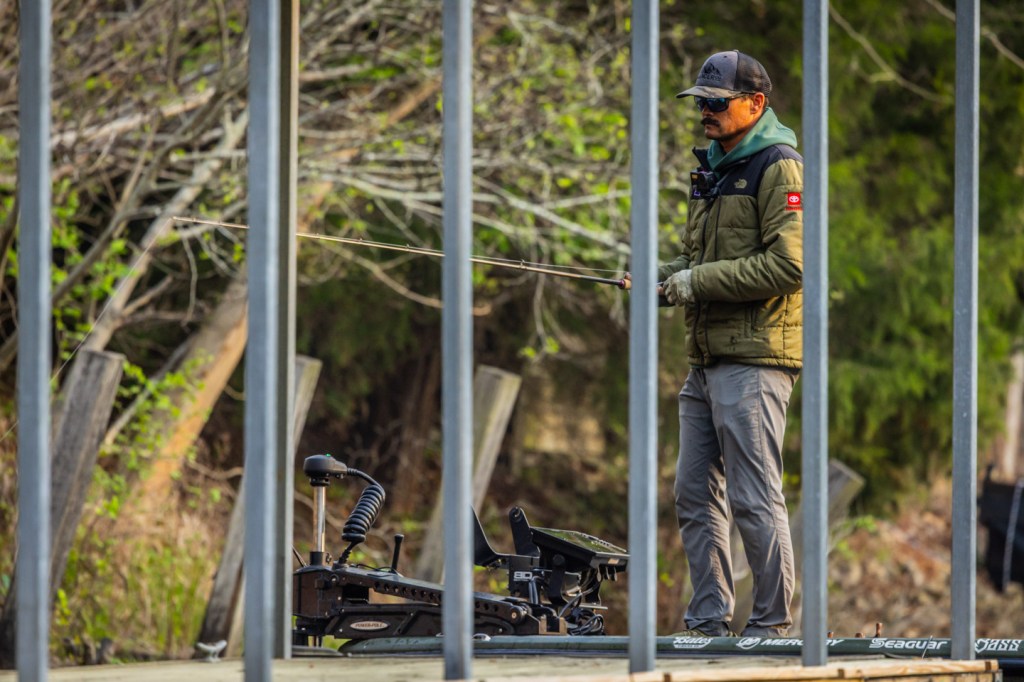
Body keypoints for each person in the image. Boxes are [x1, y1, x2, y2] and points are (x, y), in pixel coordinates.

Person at [662, 50, 803, 638]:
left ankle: (770, 627)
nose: (706, 112)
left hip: (755, 361)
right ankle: (708, 623)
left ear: (755, 103)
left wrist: (695, 282)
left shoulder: (779, 166)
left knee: (754, 496)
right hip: (706, 360)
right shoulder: (711, 168)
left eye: (716, 102)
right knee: (693, 495)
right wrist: (663, 276)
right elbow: (697, 260)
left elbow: (788, 266)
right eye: (700, 102)